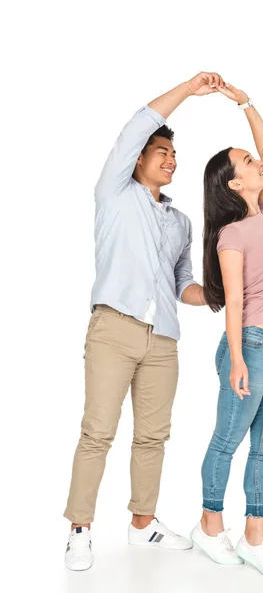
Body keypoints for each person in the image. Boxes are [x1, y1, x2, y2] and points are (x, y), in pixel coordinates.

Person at [64, 72, 225, 571]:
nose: (171, 160)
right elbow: (141, 122)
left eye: (174, 155)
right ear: (138, 158)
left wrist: (216, 295)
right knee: (98, 432)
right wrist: (189, 89)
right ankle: (79, 530)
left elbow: (182, 285)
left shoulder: (180, 221)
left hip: (164, 341)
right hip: (114, 328)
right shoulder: (115, 191)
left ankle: (143, 524)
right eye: (161, 152)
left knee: (153, 436)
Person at [190, 83, 263, 579]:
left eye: (254, 160)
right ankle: (210, 525)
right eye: (247, 163)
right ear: (235, 185)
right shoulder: (231, 235)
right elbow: (234, 302)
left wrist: (244, 101)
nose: (258, 163)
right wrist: (234, 359)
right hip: (249, 346)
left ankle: (256, 537)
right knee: (227, 441)